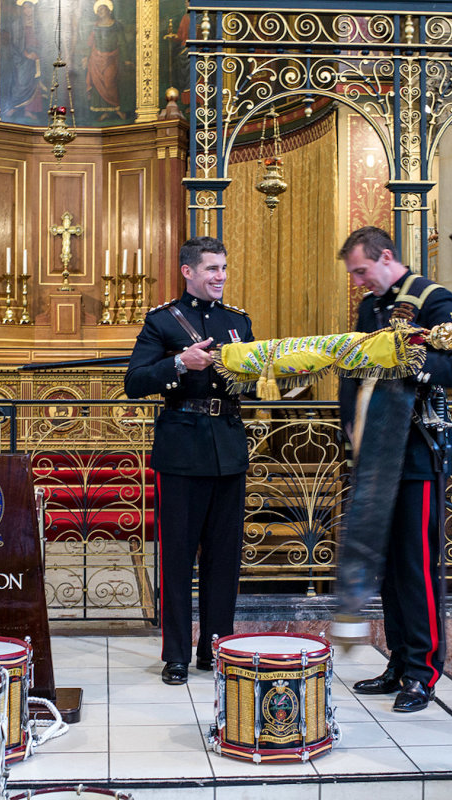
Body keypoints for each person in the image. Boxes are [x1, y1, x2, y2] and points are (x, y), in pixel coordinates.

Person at [339, 226, 452, 712]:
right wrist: (350, 431)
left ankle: (423, 673)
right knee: (387, 567)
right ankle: (400, 661)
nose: (359, 281)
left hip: (418, 452)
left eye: (362, 270)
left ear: (385, 256)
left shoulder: (433, 300)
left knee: (416, 566)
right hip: (378, 452)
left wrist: (414, 364)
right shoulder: (371, 308)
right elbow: (356, 368)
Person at [124, 237, 253, 686]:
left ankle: (215, 648)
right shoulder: (162, 322)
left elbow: (250, 384)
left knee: (224, 559)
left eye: (223, 268)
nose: (220, 276)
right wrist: (180, 362)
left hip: (229, 451)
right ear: (188, 271)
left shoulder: (237, 321)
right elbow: (135, 381)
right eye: (212, 269)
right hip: (181, 451)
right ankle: (176, 653)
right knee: (177, 558)